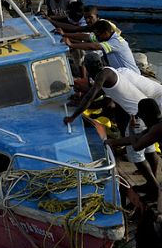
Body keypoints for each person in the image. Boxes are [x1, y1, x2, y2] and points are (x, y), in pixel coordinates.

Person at [64, 67, 159, 196]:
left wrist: (72, 117)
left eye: (140, 115)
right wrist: (112, 142)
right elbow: (140, 138)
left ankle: (154, 187)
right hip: (145, 108)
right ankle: (153, 184)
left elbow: (136, 145)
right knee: (150, 149)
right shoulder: (154, 127)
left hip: (137, 115)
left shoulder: (156, 128)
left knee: (136, 155)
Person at [62, 19, 139, 74]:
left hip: (131, 75)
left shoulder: (116, 41)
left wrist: (72, 45)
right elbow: (85, 36)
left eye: (97, 35)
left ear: (105, 33)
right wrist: (64, 34)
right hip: (121, 74)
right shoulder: (105, 37)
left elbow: (93, 46)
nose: (96, 37)